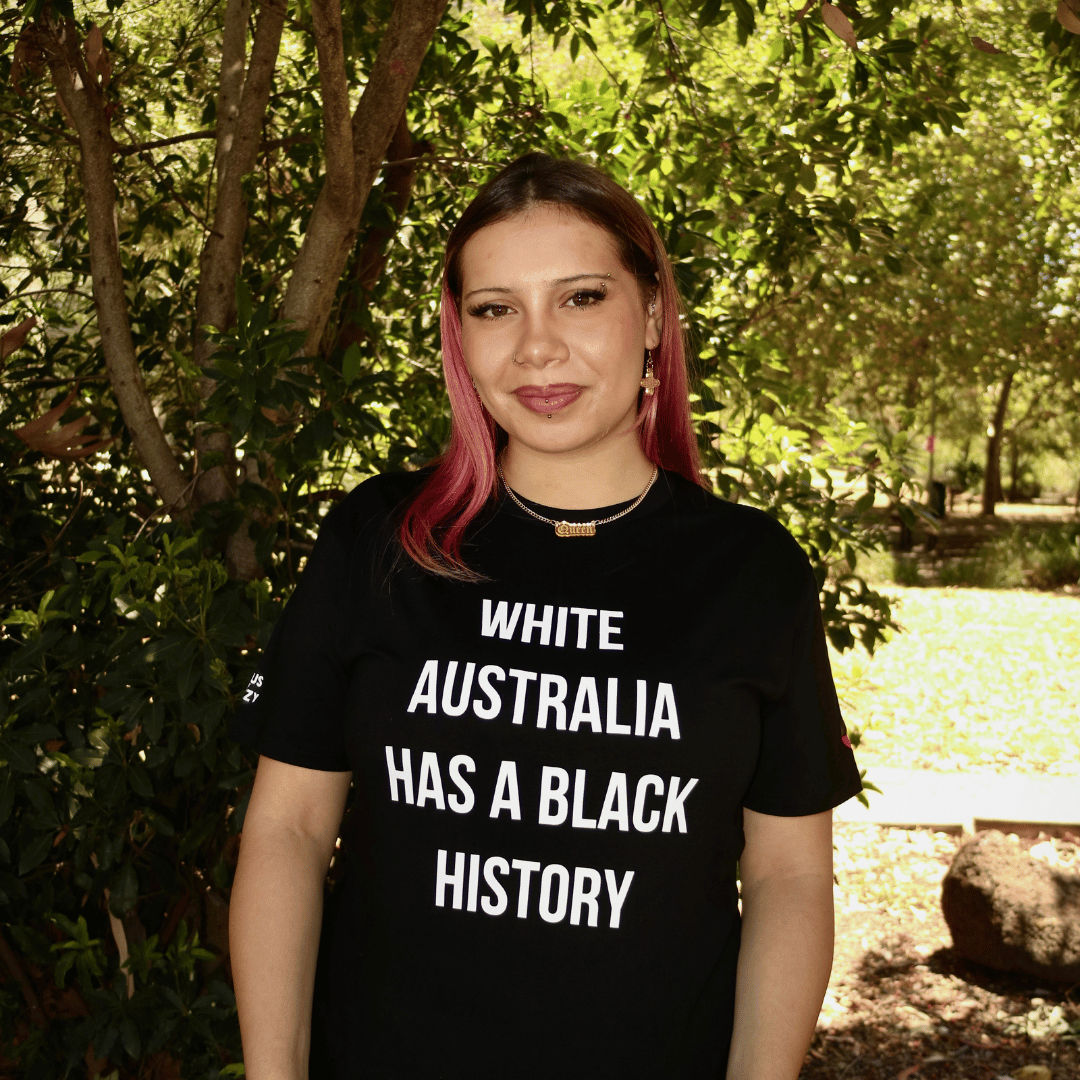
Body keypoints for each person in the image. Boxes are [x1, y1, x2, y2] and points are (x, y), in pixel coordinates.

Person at [229, 151, 862, 1080]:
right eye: (495, 309)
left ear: (651, 314)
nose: (535, 348)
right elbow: (287, 832)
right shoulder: (380, 538)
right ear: (460, 335)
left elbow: (788, 876)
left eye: (579, 298)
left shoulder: (750, 572)